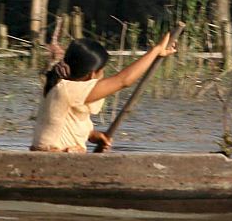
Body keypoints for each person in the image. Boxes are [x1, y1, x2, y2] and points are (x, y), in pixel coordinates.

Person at [31, 32, 177, 153]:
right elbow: (123, 81)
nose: (103, 75)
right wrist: (156, 51)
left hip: (55, 158)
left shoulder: (59, 85)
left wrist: (93, 136)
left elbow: (67, 124)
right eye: (102, 70)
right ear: (91, 74)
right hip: (55, 158)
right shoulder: (68, 90)